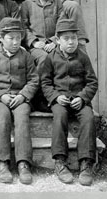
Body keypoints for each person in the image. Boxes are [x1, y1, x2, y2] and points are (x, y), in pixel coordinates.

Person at [40, 19, 98, 186]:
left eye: (74, 38)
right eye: (66, 39)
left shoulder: (83, 57)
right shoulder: (50, 59)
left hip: (80, 100)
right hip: (60, 100)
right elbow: (45, 82)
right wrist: (55, 97)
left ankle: (86, 164)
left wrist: (82, 97)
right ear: (58, 40)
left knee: (88, 118)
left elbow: (92, 82)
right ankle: (60, 162)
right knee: (59, 117)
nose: (71, 42)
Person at [0, 17, 39, 184]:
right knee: (3, 117)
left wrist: (23, 95)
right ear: (0, 38)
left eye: (18, 38)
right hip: (0, 98)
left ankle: (23, 163)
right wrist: (0, 95)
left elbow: (34, 80)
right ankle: (1, 163)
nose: (15, 42)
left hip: (21, 97)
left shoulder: (26, 56)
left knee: (21, 118)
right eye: (10, 38)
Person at [22, 0, 64, 68]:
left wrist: (54, 42)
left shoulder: (57, 3)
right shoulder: (27, 4)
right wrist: (34, 42)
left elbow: (62, 25)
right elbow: (23, 27)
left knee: (61, 57)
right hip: (35, 46)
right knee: (44, 58)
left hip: (54, 44)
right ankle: (42, 83)